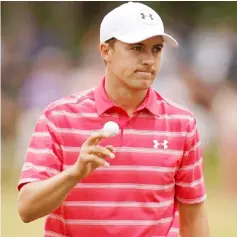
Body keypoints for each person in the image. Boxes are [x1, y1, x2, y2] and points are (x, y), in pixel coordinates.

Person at [17, 2, 210, 237]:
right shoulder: (58, 118)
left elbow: (194, 216)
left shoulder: (182, 124)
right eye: (137, 48)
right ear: (105, 51)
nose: (149, 60)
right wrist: (74, 173)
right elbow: (27, 209)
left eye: (156, 49)